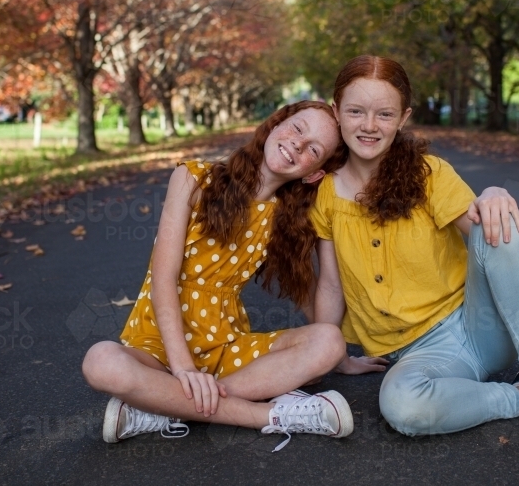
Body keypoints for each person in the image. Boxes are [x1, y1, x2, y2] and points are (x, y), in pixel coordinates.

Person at [313, 56, 519, 449]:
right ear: (336, 112)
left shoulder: (428, 174)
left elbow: (487, 238)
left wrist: (494, 195)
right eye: (356, 111)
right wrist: (335, 356)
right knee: (403, 408)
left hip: (481, 326)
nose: (370, 125)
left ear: (403, 117)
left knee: (502, 221)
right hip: (424, 359)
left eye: (385, 113)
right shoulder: (325, 195)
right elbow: (330, 284)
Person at [82, 101, 355, 451]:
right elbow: (163, 278)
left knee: (329, 341)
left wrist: (341, 359)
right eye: (297, 128)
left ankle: (163, 406)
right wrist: (182, 369)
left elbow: (304, 290)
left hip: (225, 352)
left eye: (313, 149)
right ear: (277, 123)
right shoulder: (193, 179)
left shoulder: (284, 221)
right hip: (158, 347)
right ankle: (271, 416)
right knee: (101, 362)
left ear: (314, 173)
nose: (297, 145)